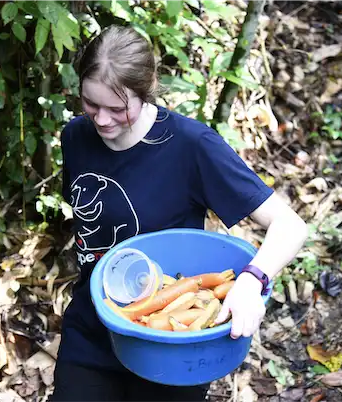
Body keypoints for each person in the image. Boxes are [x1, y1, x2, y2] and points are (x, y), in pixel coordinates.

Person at [51, 24, 308, 402]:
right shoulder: (76, 135)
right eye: (91, 104)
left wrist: (253, 281)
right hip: (92, 329)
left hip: (169, 341)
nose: (102, 119)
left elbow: (290, 226)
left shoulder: (191, 146)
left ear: (147, 88)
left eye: (117, 108)